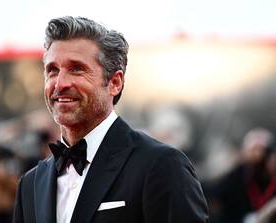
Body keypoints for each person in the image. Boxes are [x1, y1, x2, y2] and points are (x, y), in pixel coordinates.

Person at [12, 16, 209, 223]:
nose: (60, 84)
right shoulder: (31, 184)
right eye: (52, 70)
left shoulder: (161, 165)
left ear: (115, 83)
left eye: (76, 69)